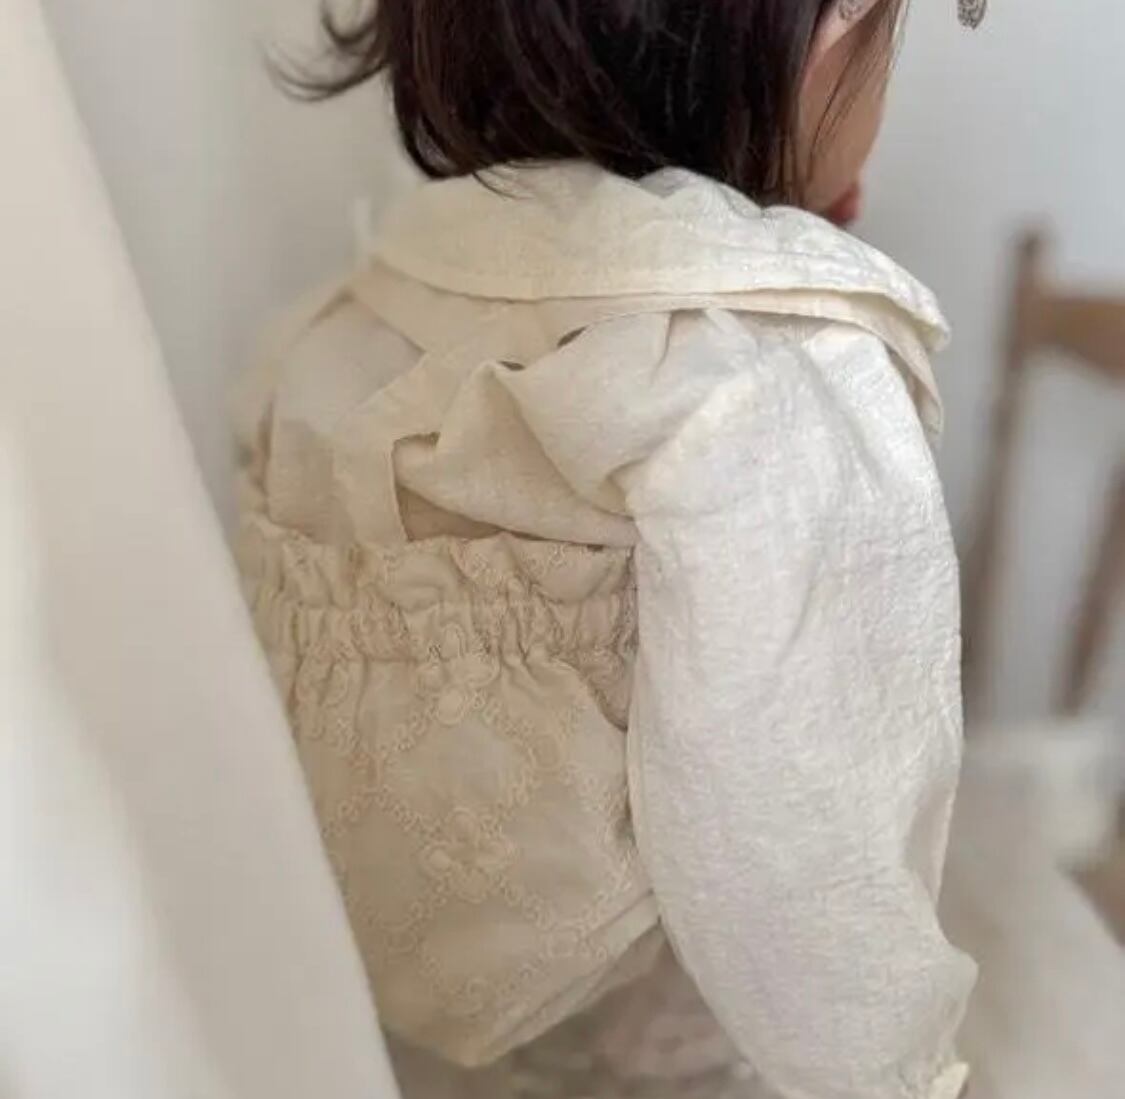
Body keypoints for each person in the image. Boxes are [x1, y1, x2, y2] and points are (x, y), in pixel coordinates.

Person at [234, 3, 991, 1097]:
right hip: (670, 1052)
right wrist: (896, 1073)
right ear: (836, 27)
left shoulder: (351, 314)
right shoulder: (755, 378)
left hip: (373, 1031)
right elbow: (807, 851)